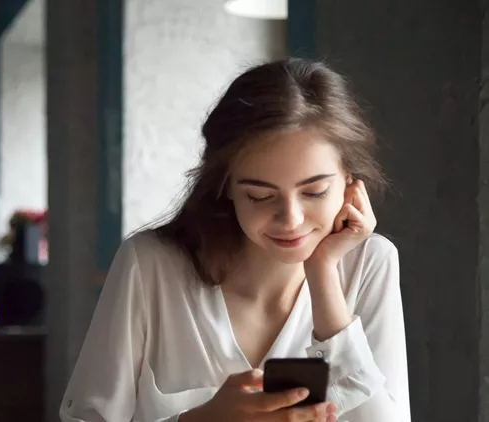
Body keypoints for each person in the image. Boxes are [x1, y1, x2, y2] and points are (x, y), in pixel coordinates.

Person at [60, 58, 410, 422]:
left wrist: (323, 277)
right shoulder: (151, 264)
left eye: (315, 192)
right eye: (260, 196)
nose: (290, 220)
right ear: (226, 184)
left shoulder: (370, 263)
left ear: (350, 183)